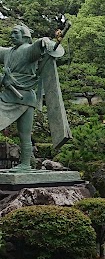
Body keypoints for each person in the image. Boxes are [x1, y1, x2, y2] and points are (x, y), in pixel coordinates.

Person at [0, 24, 71, 170]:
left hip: (24, 98)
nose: (12, 36)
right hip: (7, 96)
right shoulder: (8, 52)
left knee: (24, 134)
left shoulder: (27, 50)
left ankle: (25, 164)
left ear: (25, 36)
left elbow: (38, 47)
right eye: (11, 34)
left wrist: (44, 41)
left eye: (15, 33)